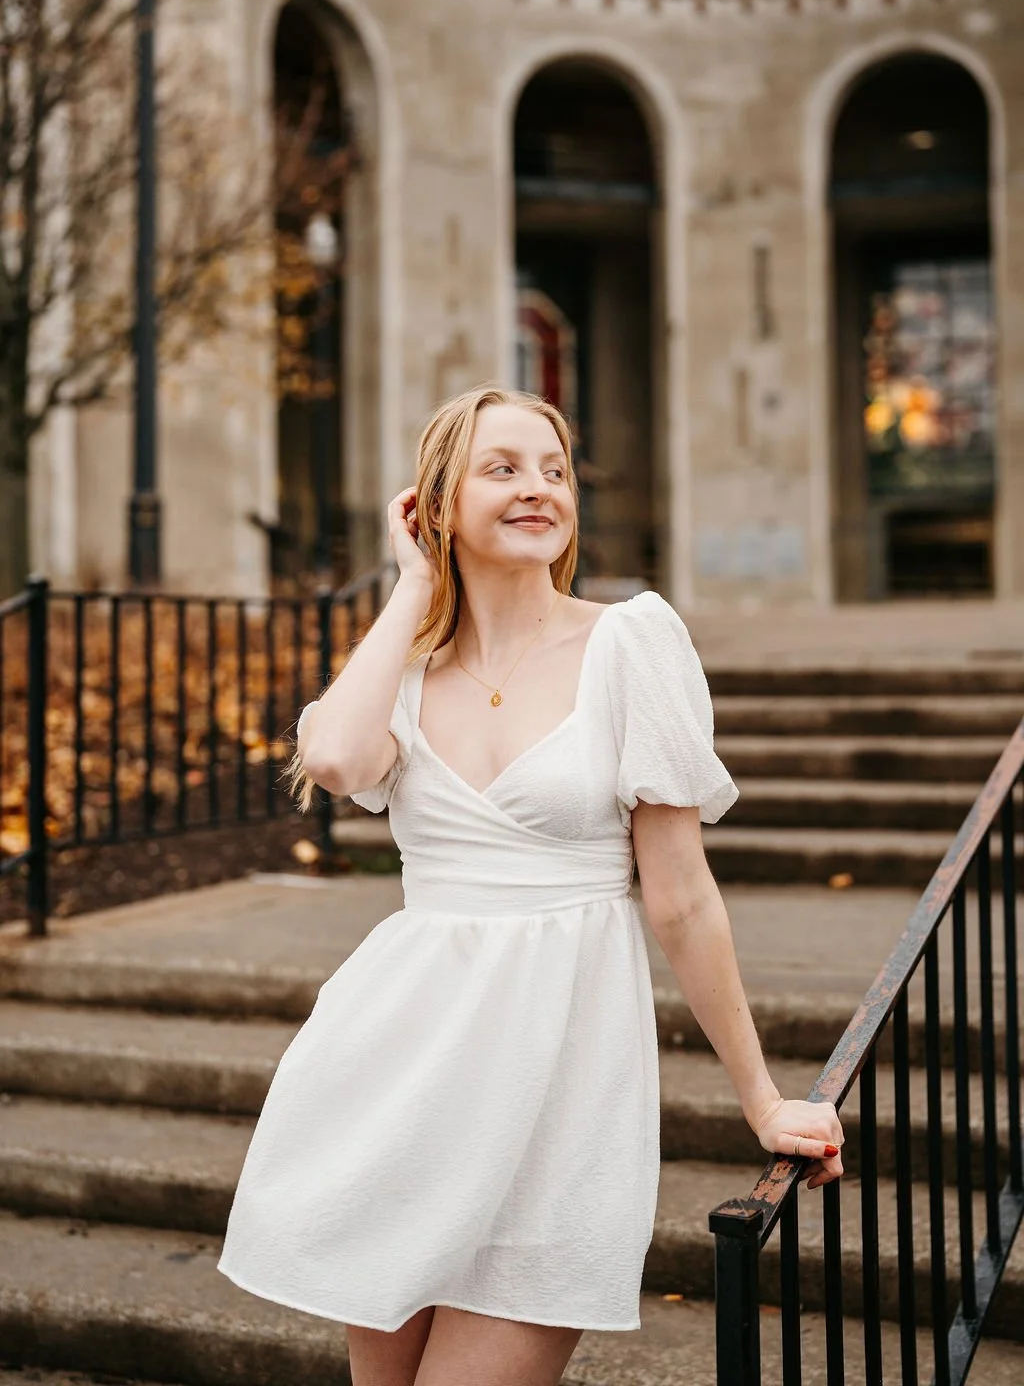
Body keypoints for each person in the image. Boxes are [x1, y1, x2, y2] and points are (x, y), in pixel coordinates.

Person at [217, 384, 844, 1386]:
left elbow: (679, 895)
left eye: (554, 469)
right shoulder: (405, 668)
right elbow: (333, 760)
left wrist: (761, 1099)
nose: (539, 489)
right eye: (502, 468)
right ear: (434, 503)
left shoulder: (630, 643)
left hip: (560, 1076)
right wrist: (410, 585)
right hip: (401, 1072)